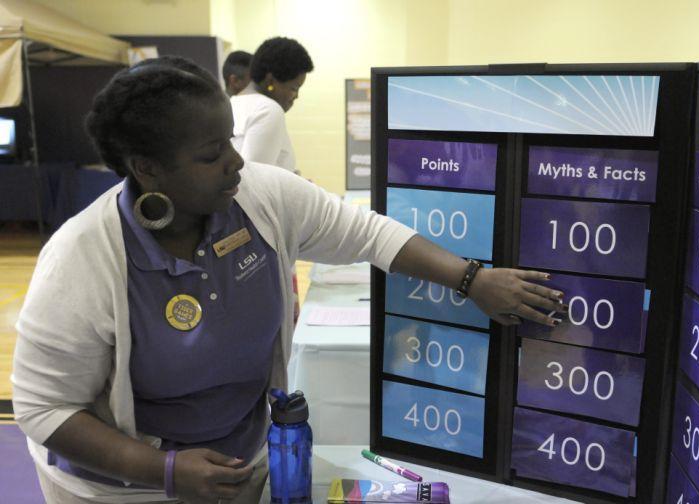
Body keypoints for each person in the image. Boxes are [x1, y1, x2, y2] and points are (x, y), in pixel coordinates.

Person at [12, 56, 566, 504]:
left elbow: (367, 234)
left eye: (231, 141)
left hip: (242, 465)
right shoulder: (82, 257)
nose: (235, 162)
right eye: (212, 155)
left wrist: (470, 278)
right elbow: (44, 410)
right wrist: (166, 470)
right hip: (122, 488)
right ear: (147, 168)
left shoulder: (262, 197)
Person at [230, 37, 313, 175]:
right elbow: (253, 180)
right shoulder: (268, 110)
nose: (296, 96)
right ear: (270, 81)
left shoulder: (232, 102)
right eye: (294, 88)